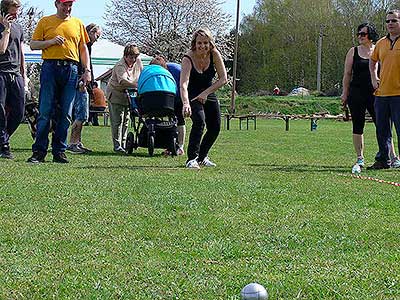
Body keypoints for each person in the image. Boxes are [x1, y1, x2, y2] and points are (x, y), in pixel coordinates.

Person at [27, 0, 91, 163]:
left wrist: (87, 71)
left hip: (71, 69)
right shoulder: (45, 21)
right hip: (50, 67)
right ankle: (39, 152)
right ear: (56, 4)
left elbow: (83, 48)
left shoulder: (77, 23)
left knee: (66, 113)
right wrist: (51, 42)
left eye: (70, 5)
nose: (67, 8)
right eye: (64, 5)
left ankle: (59, 151)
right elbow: (33, 44)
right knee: (45, 111)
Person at [341, 23, 400, 172]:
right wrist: (345, 93)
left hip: (378, 93)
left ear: (370, 35)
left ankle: (393, 157)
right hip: (356, 93)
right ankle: (360, 158)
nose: (360, 37)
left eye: (363, 34)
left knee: (383, 126)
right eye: (358, 34)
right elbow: (347, 74)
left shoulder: (379, 48)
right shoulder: (353, 51)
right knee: (358, 125)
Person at [180, 28, 228, 169]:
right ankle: (191, 159)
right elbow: (183, 83)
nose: (203, 46)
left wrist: (206, 93)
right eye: (200, 43)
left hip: (208, 91)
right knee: (199, 122)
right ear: (195, 43)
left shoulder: (214, 54)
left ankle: (202, 156)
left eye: (206, 43)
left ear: (210, 43)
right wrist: (186, 103)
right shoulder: (187, 58)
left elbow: (223, 79)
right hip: (193, 94)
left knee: (215, 127)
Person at [369, 10, 400, 169]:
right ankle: (383, 160)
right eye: (388, 21)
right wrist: (374, 78)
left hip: (399, 95)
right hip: (382, 94)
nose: (390, 24)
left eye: (394, 21)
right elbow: (372, 61)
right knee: (382, 131)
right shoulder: (381, 43)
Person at [67, 23, 101, 154]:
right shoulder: (83, 46)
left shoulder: (88, 47)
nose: (97, 38)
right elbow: (80, 65)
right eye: (96, 35)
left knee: (83, 114)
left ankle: (78, 142)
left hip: (83, 82)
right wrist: (82, 83)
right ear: (90, 32)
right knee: (81, 114)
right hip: (80, 83)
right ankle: (73, 143)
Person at [106, 44, 143, 154]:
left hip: (129, 95)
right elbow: (122, 81)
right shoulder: (119, 66)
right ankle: (117, 146)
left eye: (135, 57)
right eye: (131, 57)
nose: (133, 60)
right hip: (116, 94)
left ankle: (124, 144)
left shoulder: (138, 62)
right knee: (117, 121)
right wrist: (136, 85)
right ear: (125, 56)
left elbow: (142, 74)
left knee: (126, 120)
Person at [0, 0, 25, 159]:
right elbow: (2, 49)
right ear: (4, 10)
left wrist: (25, 76)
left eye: (17, 11)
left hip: (16, 74)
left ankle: (3, 139)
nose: (16, 14)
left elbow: (21, 52)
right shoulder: (4, 27)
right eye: (13, 11)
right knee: (0, 111)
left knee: (19, 111)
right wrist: (6, 29)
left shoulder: (19, 27)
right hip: (1, 72)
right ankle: (4, 145)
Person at [149, 55, 185, 155]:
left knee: (179, 120)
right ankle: (170, 144)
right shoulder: (152, 73)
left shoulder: (176, 70)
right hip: (163, 97)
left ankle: (180, 146)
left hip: (178, 96)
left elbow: (185, 83)